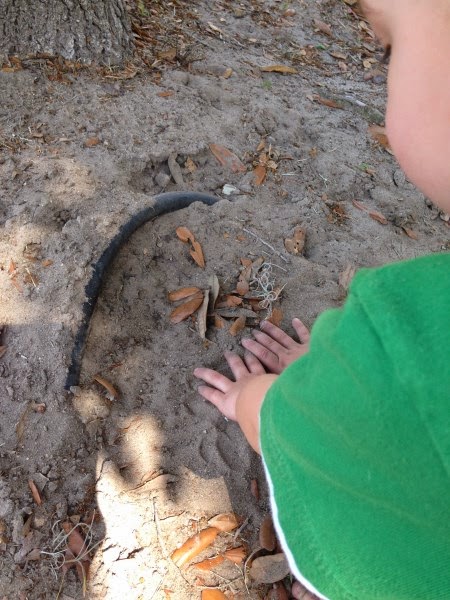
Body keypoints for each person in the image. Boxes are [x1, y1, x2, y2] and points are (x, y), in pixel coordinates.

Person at [194, 0, 450, 598]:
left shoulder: (406, 336)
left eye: (390, 47)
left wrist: (254, 399)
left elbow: (297, 426)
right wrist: (345, 367)